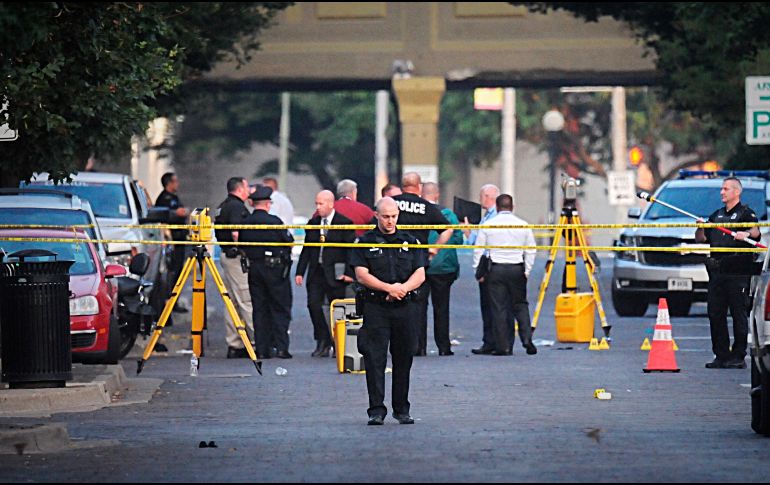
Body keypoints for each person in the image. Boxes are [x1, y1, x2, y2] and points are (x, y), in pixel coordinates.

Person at [349, 197, 428, 425]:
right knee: (374, 359)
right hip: (376, 306)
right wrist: (388, 288)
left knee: (404, 358)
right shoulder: (365, 241)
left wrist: (401, 289)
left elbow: (420, 274)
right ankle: (376, 410)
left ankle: (401, 409)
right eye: (385, 216)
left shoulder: (410, 240)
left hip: (405, 306)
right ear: (376, 216)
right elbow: (361, 274)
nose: (390, 221)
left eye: (394, 216)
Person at [695, 176, 760, 369]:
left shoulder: (746, 213)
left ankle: (738, 356)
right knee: (715, 313)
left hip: (738, 271)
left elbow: (755, 231)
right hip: (717, 271)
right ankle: (721, 355)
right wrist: (700, 228)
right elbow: (701, 239)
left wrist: (746, 234)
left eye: (726, 189)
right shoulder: (716, 215)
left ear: (736, 192)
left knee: (738, 313)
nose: (722, 192)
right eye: (721, 189)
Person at [392, 172, 453, 356]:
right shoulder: (426, 207)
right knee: (419, 305)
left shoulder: (391, 203)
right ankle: (419, 346)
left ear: (403, 186)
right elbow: (448, 228)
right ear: (418, 187)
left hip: (393, 261)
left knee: (394, 302)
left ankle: (400, 344)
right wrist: (434, 249)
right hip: (418, 262)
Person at [473, 194, 537, 356]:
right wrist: (527, 270)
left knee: (499, 308)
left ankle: (503, 346)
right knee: (521, 305)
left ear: (497, 206)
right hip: (516, 268)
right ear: (512, 207)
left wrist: (478, 272)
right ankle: (527, 340)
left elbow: (479, 250)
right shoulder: (523, 225)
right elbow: (531, 250)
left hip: (497, 269)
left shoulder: (489, 225)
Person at [295, 190, 356, 357]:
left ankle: (338, 343)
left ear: (331, 204)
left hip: (336, 273)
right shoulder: (313, 223)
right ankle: (322, 340)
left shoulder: (344, 223)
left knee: (337, 308)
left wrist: (349, 273)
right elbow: (307, 249)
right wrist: (300, 271)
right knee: (314, 305)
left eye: (321, 204)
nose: (318, 207)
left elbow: (350, 251)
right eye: (316, 203)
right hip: (316, 272)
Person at [239, 186, 295, 360]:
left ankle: (262, 349)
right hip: (275, 269)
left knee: (260, 309)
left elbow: (241, 244)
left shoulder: (246, 222)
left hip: (254, 268)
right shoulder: (274, 221)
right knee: (280, 307)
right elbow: (288, 240)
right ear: (268, 204)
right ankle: (281, 348)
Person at [420, 182, 463, 356]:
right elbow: (458, 240)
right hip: (444, 268)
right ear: (437, 195)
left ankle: (418, 346)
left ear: (422, 195)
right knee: (441, 308)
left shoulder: (418, 213)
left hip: (421, 267)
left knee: (419, 308)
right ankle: (443, 346)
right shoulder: (449, 215)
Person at [215, 177, 255, 359]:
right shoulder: (237, 207)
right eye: (247, 187)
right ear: (239, 189)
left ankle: (235, 343)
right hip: (236, 258)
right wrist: (246, 250)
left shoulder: (223, 205)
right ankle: (254, 342)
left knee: (231, 302)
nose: (249, 190)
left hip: (226, 255)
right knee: (246, 300)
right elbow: (236, 233)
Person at [463, 184, 501, 355]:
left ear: (487, 196)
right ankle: (492, 341)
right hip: (493, 263)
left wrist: (479, 270)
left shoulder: (494, 217)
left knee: (490, 305)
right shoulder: (488, 216)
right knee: (491, 306)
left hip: (490, 264)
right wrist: (469, 234)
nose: (480, 200)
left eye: (481, 196)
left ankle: (493, 341)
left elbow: (481, 244)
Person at [155, 172, 190, 313]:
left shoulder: (174, 197)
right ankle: (169, 301)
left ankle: (174, 301)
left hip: (181, 239)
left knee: (178, 271)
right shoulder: (163, 199)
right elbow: (163, 216)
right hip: (172, 240)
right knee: (172, 271)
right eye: (175, 181)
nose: (177, 184)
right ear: (169, 183)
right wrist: (177, 213)